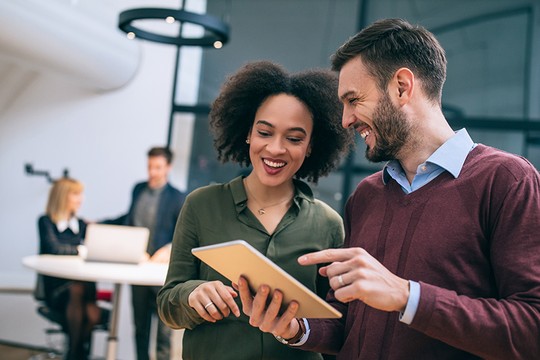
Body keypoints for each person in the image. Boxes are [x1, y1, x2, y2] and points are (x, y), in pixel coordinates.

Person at [237, 18, 540, 359]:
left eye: (353, 100)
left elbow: (531, 327)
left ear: (401, 86)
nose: (346, 120)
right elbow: (348, 320)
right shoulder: (366, 195)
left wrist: (407, 296)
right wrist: (295, 328)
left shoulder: (506, 180)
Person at [157, 61, 354, 360]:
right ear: (248, 133)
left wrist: (298, 328)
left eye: (294, 138)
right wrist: (192, 295)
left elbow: (337, 327)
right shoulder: (202, 205)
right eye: (265, 132)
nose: (275, 149)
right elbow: (168, 306)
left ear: (311, 146)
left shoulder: (328, 224)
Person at [103, 146, 185, 360]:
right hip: (137, 268)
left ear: (168, 167)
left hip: (161, 273)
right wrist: (99, 224)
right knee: (140, 327)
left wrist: (167, 250)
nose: (152, 172)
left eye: (157, 167)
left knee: (164, 331)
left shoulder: (177, 197)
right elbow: (128, 219)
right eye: (150, 167)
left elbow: (183, 233)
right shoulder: (138, 189)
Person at [38, 178, 102, 360]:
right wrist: (81, 250)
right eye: (75, 194)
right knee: (78, 290)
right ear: (62, 197)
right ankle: (77, 354)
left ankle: (75, 353)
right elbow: (54, 248)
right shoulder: (46, 222)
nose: (80, 199)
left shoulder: (81, 225)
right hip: (58, 290)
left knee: (91, 310)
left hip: (84, 292)